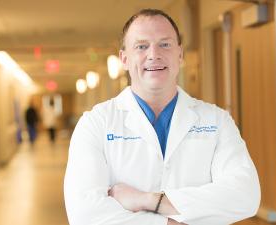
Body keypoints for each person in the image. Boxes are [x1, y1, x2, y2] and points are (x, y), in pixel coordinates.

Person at [64, 8, 260, 225]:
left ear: (180, 54)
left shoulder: (217, 120)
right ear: (125, 59)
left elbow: (245, 196)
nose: (154, 54)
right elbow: (85, 214)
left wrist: (146, 200)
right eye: (141, 46)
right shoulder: (96, 124)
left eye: (165, 44)